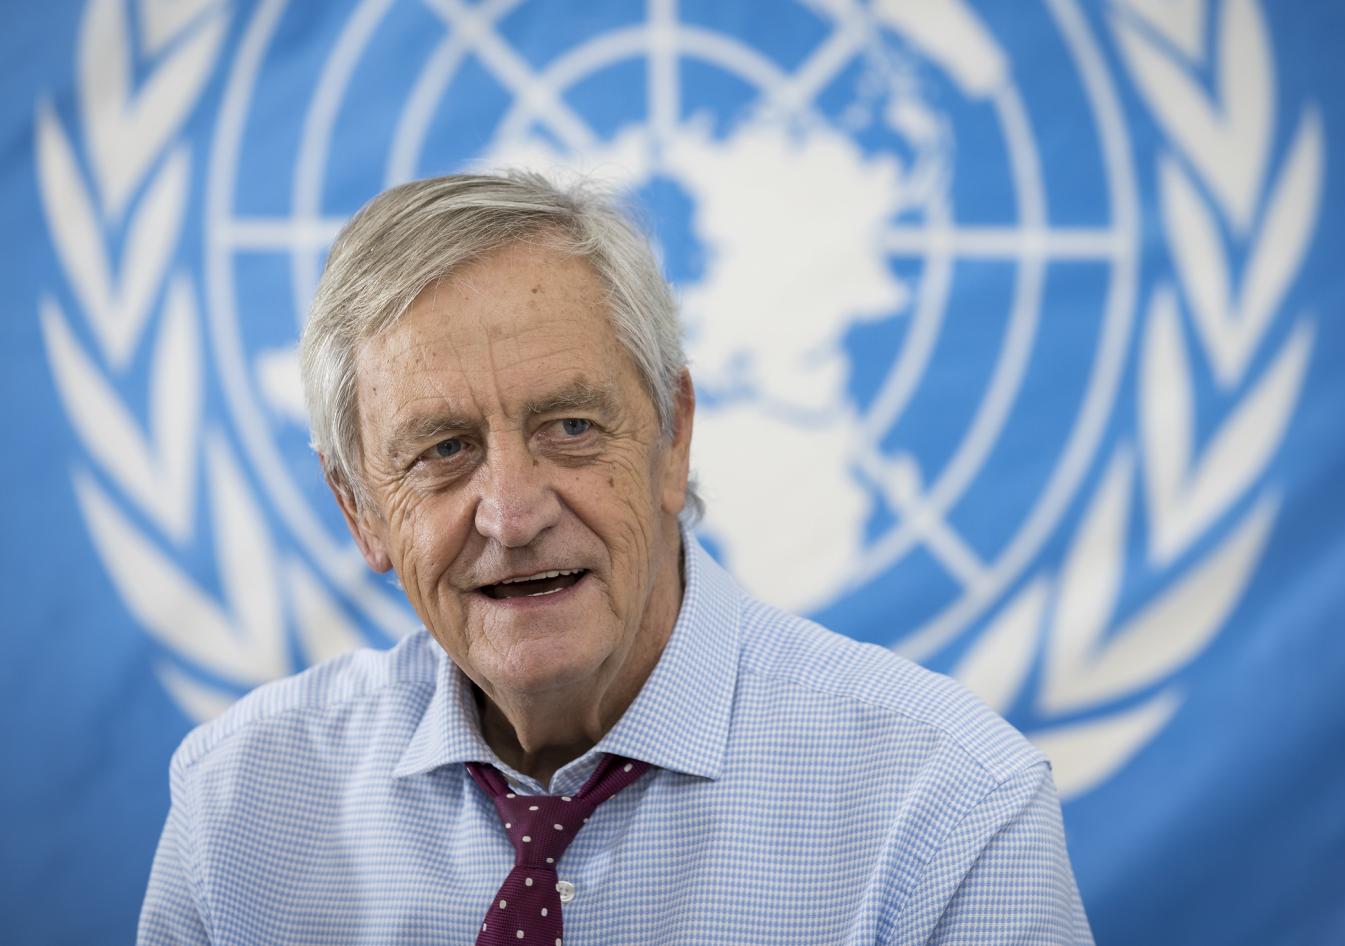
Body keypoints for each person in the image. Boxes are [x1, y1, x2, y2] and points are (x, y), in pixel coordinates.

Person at [139, 171, 1093, 944]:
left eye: (570, 426)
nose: (513, 515)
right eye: (443, 450)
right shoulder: (240, 806)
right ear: (360, 510)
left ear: (673, 439)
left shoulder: (949, 809)